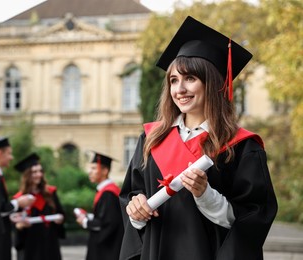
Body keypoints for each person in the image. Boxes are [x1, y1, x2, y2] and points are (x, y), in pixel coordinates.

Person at [119, 16, 278, 260]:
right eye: (174, 80)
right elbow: (131, 197)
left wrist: (206, 194)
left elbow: (253, 218)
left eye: (190, 78)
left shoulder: (241, 145)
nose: (179, 89)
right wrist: (135, 211)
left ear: (213, 83)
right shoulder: (151, 139)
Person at [11, 152, 66, 260]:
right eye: (34, 172)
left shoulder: (50, 193)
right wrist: (19, 226)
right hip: (30, 247)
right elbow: (15, 227)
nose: (39, 175)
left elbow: (61, 214)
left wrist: (60, 220)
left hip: (49, 245)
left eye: (40, 171)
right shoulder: (20, 200)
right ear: (27, 175)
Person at [75, 151, 124, 260]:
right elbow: (105, 217)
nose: (90, 172)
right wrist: (89, 216)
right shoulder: (105, 191)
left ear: (105, 171)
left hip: (107, 249)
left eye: (93, 168)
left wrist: (85, 221)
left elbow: (109, 223)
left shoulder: (109, 194)